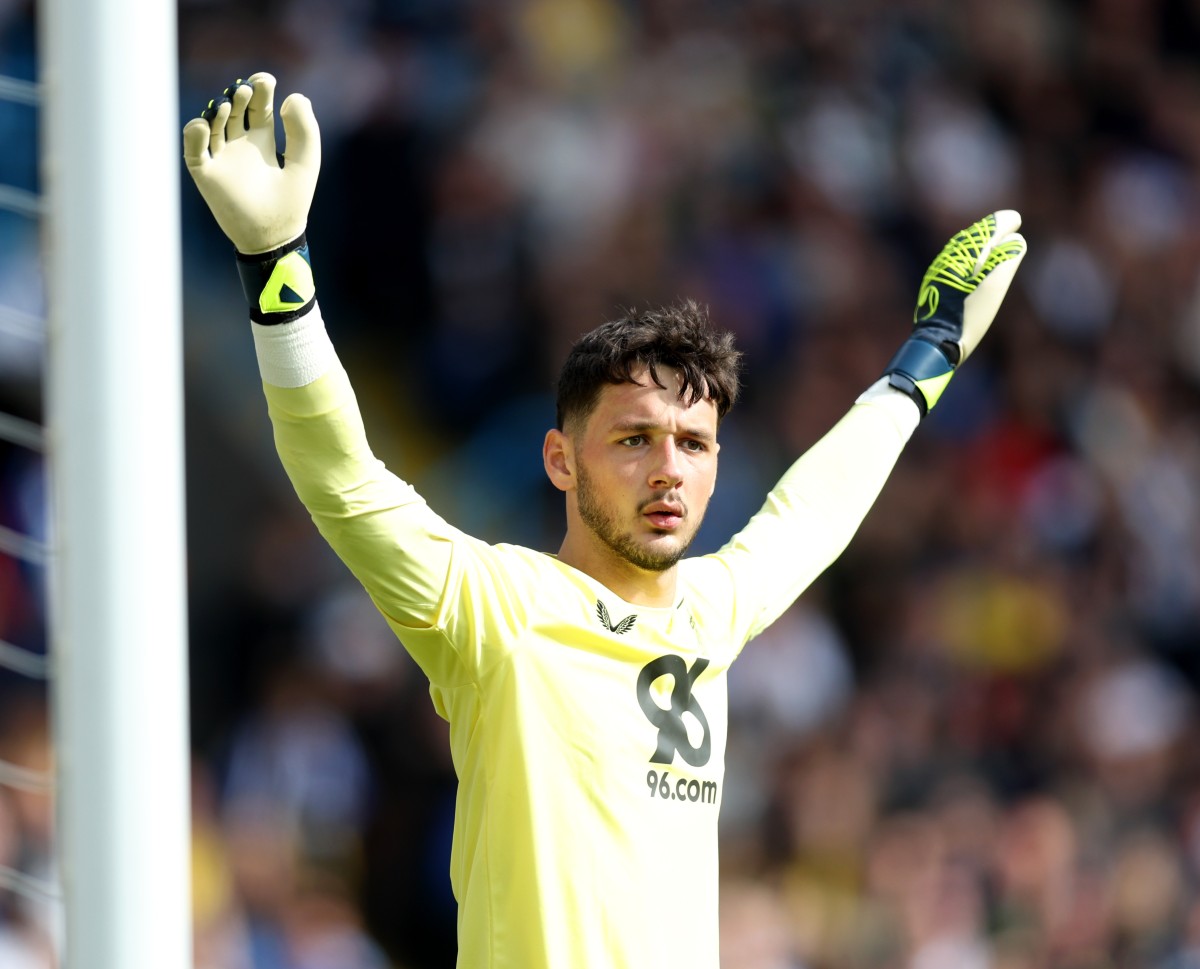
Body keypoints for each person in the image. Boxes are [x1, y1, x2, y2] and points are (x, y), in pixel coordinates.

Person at [183, 71, 1027, 969]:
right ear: (559, 460)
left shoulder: (711, 610)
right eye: (634, 439)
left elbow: (811, 511)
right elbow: (340, 476)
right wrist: (278, 268)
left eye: (694, 445)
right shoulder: (494, 607)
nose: (669, 469)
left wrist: (927, 356)